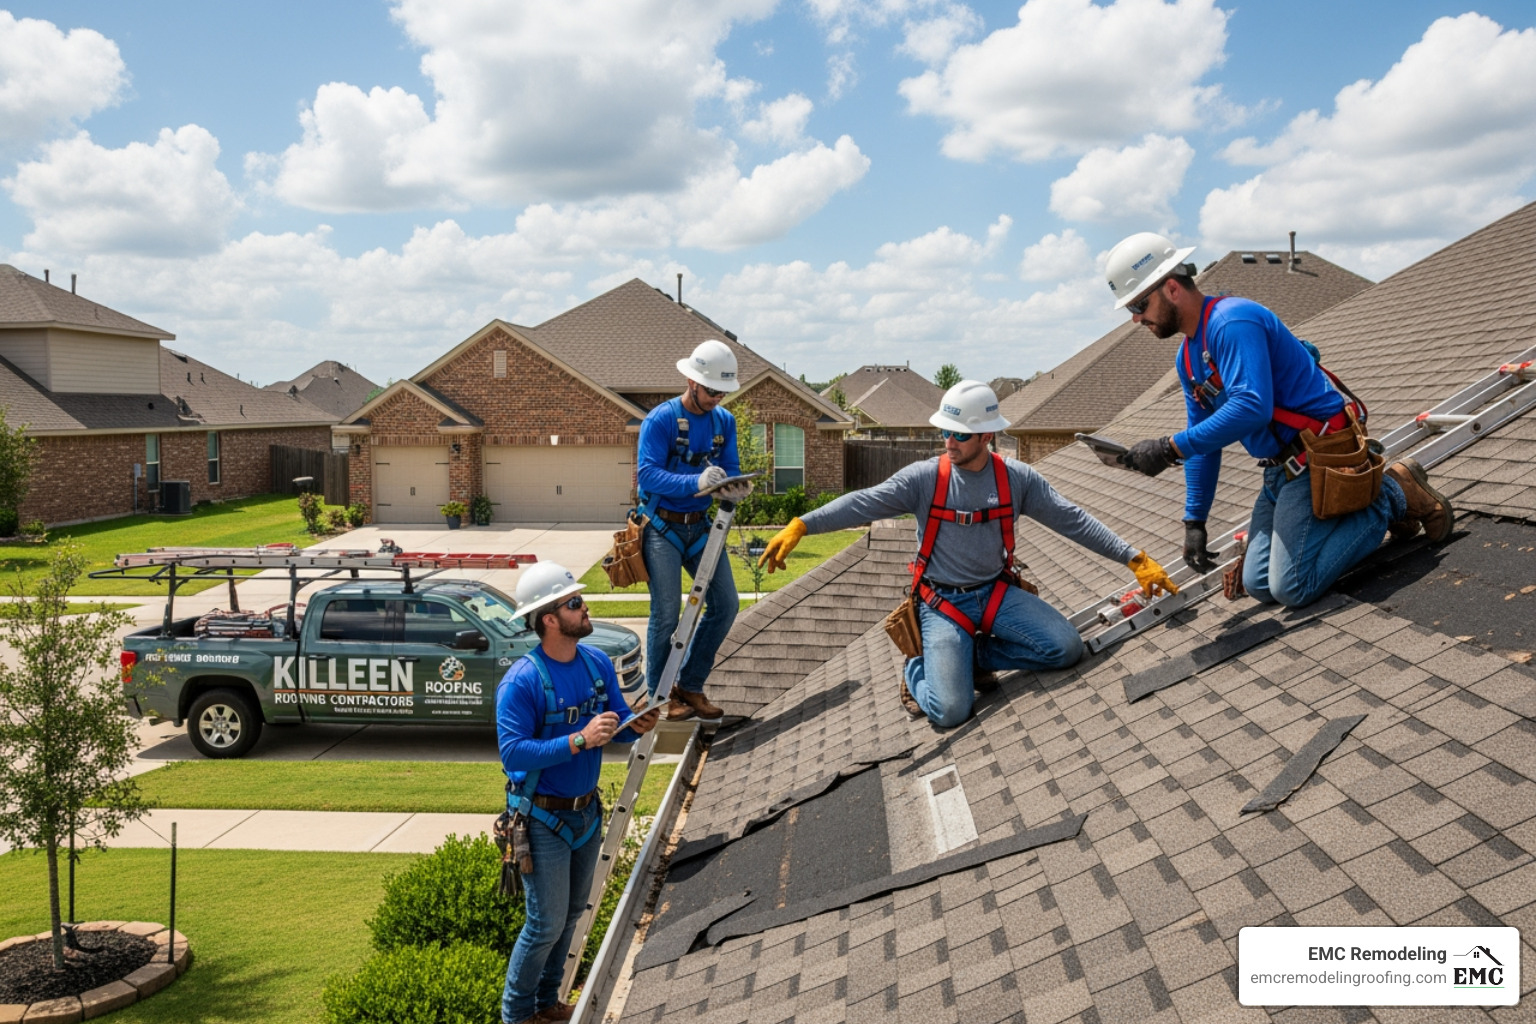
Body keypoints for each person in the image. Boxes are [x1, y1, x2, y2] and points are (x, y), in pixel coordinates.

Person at [758, 380, 1176, 728]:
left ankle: (969, 658)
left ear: (986, 435)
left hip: (994, 593)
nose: (949, 441)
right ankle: (917, 669)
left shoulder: (1017, 480)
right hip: (942, 603)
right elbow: (864, 501)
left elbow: (1072, 519)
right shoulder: (925, 479)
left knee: (1065, 649)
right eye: (945, 432)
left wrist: (1133, 558)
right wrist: (804, 523)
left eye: (959, 434)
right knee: (950, 711)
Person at [1105, 231, 1452, 607]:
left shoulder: (1231, 321)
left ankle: (1393, 494)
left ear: (1172, 288)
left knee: (1292, 587)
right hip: (1279, 473)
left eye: (1139, 304)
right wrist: (1195, 521)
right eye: (1131, 309)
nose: (1137, 318)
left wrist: (1169, 449)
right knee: (1258, 586)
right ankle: (1360, 511)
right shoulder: (1188, 357)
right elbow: (1203, 442)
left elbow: (1250, 405)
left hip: (1320, 454)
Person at [497, 561, 659, 1024]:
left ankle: (548, 1005)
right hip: (541, 819)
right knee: (544, 924)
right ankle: (517, 1015)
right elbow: (513, 755)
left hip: (586, 814)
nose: (584, 608)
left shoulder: (596, 663)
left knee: (570, 917)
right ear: (549, 619)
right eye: (574, 603)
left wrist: (635, 726)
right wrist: (578, 739)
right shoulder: (523, 681)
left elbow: (618, 730)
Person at [635, 338, 752, 723]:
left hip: (701, 528)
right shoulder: (661, 420)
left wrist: (733, 486)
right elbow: (648, 475)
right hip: (663, 528)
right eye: (712, 390)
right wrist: (697, 482)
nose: (717, 397)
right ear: (692, 382)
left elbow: (730, 466)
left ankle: (690, 684)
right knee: (667, 613)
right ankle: (659, 695)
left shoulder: (724, 422)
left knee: (726, 604)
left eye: (723, 391)